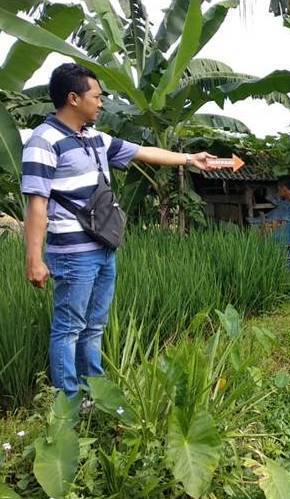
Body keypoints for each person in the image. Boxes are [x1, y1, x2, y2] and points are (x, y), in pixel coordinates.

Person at [22, 63, 219, 397]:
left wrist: (189, 159)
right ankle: (68, 405)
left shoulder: (95, 138)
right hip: (72, 254)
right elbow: (36, 205)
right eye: (97, 96)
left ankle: (95, 395)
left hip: (103, 247)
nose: (101, 103)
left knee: (94, 327)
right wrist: (34, 258)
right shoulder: (43, 141)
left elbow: (144, 153)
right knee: (69, 329)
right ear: (73, 98)